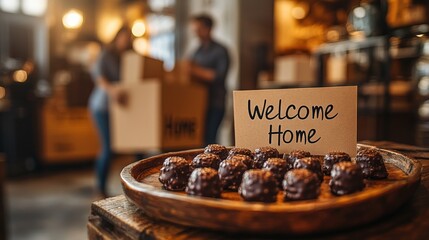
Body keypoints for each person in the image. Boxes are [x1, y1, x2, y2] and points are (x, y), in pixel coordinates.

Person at [89, 27, 132, 196]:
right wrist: (112, 90)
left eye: (129, 38)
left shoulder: (128, 57)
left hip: (121, 110)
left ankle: (134, 186)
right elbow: (100, 79)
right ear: (117, 37)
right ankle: (100, 186)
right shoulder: (106, 55)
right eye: (124, 37)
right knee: (108, 148)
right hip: (102, 107)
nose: (126, 41)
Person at [188, 14, 230, 145]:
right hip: (199, 103)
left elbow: (218, 76)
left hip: (215, 102)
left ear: (208, 29)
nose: (196, 33)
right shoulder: (196, 52)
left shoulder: (220, 51)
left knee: (211, 139)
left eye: (199, 29)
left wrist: (195, 71)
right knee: (200, 141)